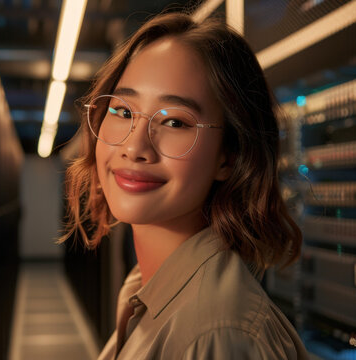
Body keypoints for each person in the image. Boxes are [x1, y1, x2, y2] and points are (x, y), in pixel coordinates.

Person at [60, 11, 308, 360]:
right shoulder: (146, 288)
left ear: (229, 157)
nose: (134, 147)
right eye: (123, 111)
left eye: (175, 121)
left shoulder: (215, 335)